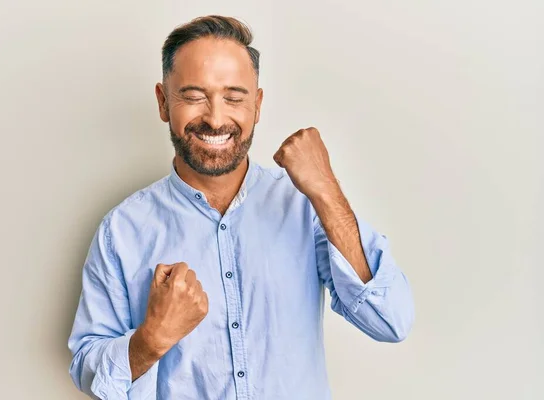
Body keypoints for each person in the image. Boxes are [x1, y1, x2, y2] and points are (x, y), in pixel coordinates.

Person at [68, 15, 414, 400]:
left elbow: (390, 320)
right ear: (164, 102)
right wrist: (151, 340)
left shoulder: (305, 207)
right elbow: (87, 369)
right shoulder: (122, 231)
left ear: (258, 105)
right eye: (194, 96)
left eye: (233, 98)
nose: (216, 119)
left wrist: (327, 192)